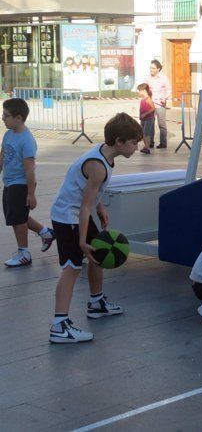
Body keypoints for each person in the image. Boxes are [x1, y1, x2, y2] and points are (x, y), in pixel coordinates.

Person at [49, 113, 143, 343]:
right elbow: (83, 206)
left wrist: (100, 207)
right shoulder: (98, 166)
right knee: (72, 268)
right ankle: (59, 326)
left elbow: (88, 192)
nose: (136, 147)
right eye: (134, 143)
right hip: (67, 216)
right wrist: (81, 240)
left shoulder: (105, 154)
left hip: (78, 212)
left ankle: (96, 303)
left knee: (98, 255)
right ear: (119, 141)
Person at [1, 99, 54, 267]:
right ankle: (45, 233)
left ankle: (24, 253)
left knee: (17, 218)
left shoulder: (26, 140)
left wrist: (31, 194)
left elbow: (30, 170)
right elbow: (2, 157)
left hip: (20, 183)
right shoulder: (8, 134)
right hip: (9, 182)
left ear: (18, 118)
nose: (2, 118)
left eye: (6, 115)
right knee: (16, 215)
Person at [145, 59, 171, 149]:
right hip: (150, 104)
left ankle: (163, 143)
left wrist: (165, 98)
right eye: (150, 68)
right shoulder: (148, 77)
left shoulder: (164, 78)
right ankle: (151, 142)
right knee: (150, 123)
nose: (151, 70)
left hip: (160, 104)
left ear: (158, 69)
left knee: (161, 123)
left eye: (153, 68)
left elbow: (169, 90)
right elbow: (144, 89)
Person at [137, 83, 155, 155]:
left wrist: (145, 113)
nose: (138, 92)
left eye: (140, 90)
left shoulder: (148, 99)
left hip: (149, 119)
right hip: (143, 119)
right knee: (143, 133)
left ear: (144, 91)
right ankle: (145, 146)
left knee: (146, 133)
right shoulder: (143, 99)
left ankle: (147, 147)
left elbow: (153, 108)